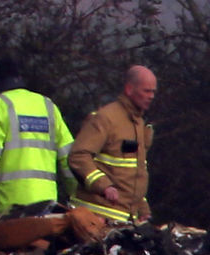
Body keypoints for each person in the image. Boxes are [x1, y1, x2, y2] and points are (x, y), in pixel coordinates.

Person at [0, 53, 70, 223]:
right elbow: (68, 157)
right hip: (49, 206)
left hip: (12, 208)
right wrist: (74, 196)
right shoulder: (47, 105)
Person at [68, 65, 158, 225]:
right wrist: (104, 186)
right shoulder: (105, 118)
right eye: (146, 91)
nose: (151, 96)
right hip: (96, 217)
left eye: (153, 92)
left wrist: (142, 208)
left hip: (124, 220)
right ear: (129, 89)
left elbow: (133, 173)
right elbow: (78, 156)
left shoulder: (139, 123)